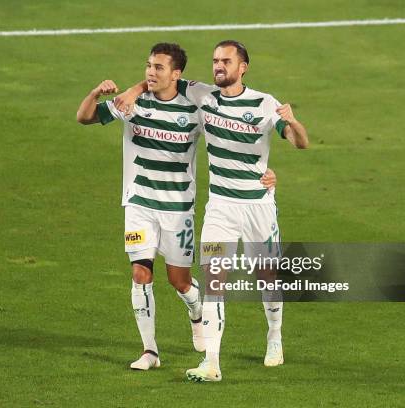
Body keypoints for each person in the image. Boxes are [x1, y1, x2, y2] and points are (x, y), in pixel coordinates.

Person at [115, 40, 309, 381]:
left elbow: (299, 142)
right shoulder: (203, 96)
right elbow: (158, 79)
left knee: (266, 276)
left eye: (226, 61)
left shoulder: (264, 103)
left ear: (242, 67)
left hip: (257, 207)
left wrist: (293, 123)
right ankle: (212, 362)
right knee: (214, 280)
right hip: (219, 208)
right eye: (215, 60)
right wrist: (132, 91)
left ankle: (274, 335)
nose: (218, 66)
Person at [76, 42, 278, 371]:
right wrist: (99, 92)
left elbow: (234, 130)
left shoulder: (197, 106)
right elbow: (84, 117)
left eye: (158, 68)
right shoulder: (131, 102)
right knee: (140, 273)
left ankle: (196, 310)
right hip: (138, 205)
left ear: (176, 74)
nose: (150, 73)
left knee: (179, 280)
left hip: (178, 209)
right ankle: (150, 351)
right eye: (148, 67)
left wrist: (264, 173)